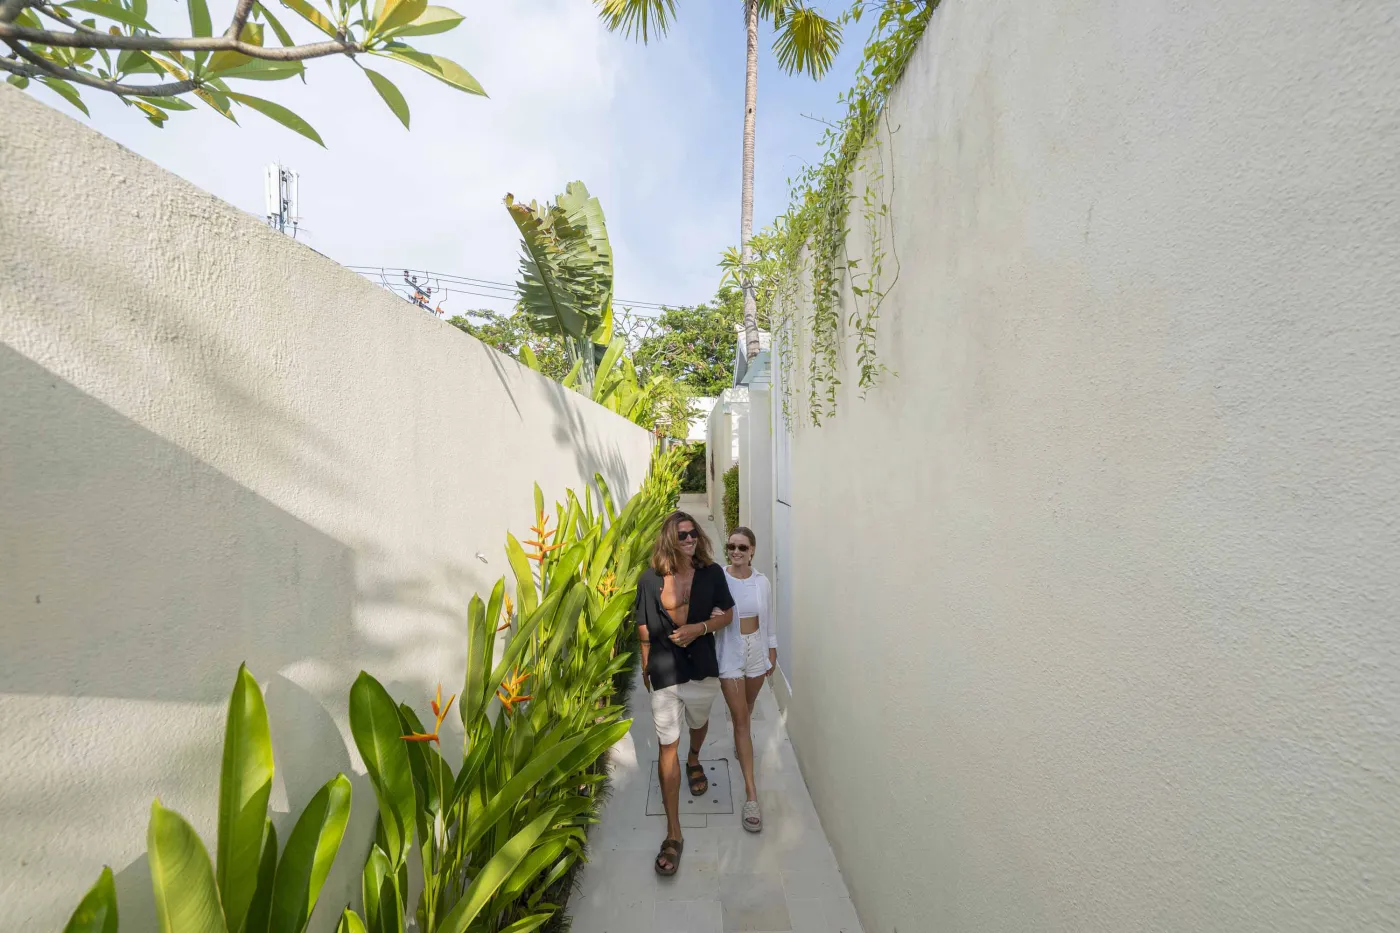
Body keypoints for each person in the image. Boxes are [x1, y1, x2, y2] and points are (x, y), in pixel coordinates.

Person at [635, 510, 735, 876]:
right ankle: (673, 834)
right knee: (667, 744)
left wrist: (699, 628)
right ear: (669, 539)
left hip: (702, 668)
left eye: (693, 533)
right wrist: (646, 665)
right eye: (682, 535)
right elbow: (644, 626)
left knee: (699, 723)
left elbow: (728, 614)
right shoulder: (650, 580)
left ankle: (695, 758)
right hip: (665, 670)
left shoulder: (712, 573)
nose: (690, 539)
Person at [715, 526, 777, 833]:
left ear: (752, 550)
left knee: (748, 709)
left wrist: (772, 648)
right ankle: (752, 795)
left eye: (742, 547)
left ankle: (742, 744)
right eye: (731, 546)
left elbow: (769, 617)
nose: (736, 552)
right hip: (730, 653)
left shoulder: (761, 582)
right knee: (741, 719)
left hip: (756, 651)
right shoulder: (719, 578)